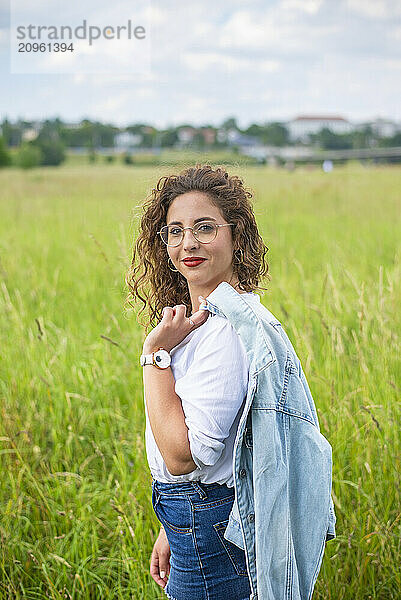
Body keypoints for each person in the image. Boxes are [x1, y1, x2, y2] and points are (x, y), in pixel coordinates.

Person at [125, 164, 335, 600]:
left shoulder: (225, 331)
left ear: (236, 234)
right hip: (198, 520)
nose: (189, 244)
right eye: (175, 230)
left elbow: (185, 458)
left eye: (205, 228)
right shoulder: (216, 320)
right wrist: (173, 526)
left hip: (209, 527)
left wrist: (154, 357)